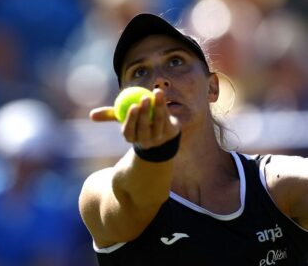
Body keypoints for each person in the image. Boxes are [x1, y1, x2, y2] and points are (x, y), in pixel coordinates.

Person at [78, 13, 308, 265]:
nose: (158, 80)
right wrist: (154, 150)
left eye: (175, 61)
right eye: (140, 71)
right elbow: (133, 203)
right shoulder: (98, 192)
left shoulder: (281, 185)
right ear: (123, 100)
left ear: (212, 88)